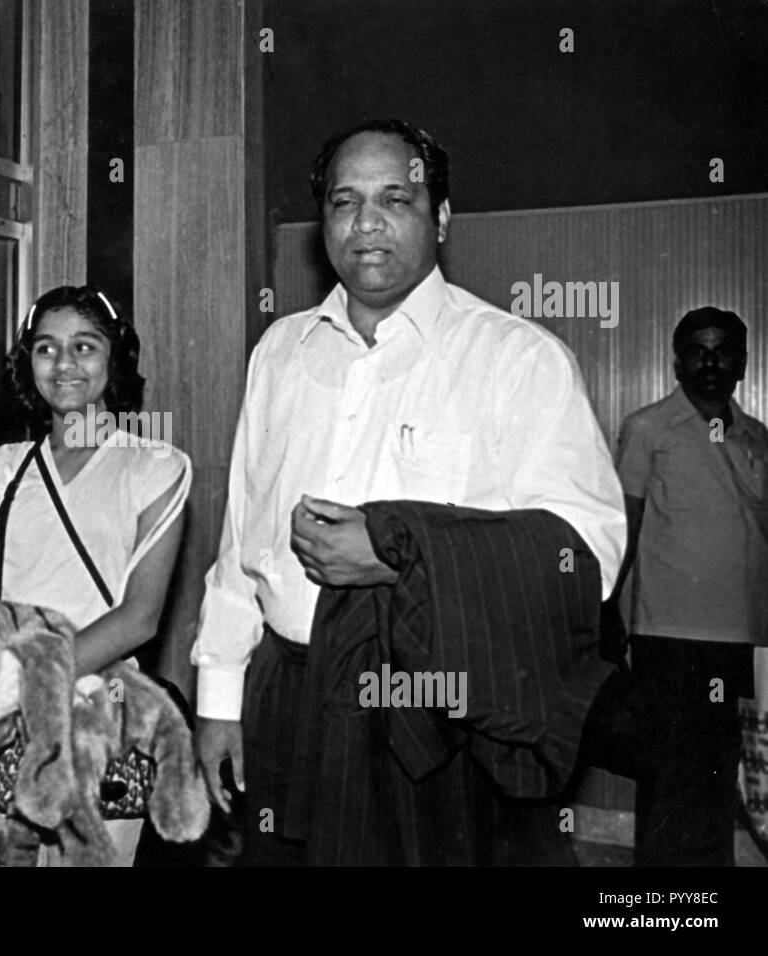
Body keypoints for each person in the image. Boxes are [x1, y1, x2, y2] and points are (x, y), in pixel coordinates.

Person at [191, 118, 627, 865]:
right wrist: (219, 700)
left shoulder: (516, 357)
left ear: (442, 217)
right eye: (343, 200)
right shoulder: (280, 352)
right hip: (288, 698)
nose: (366, 222)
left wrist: (404, 551)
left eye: (396, 197)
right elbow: (242, 544)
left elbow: (588, 555)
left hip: (430, 710)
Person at [0, 285, 191, 866]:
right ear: (27, 362)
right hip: (3, 724)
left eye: (84, 347)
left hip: (100, 719)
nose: (64, 364)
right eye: (46, 348)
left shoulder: (154, 469)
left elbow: (139, 617)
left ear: (115, 359)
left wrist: (29, 684)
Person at [611, 306, 767, 866]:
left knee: (722, 773)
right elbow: (622, 528)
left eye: (722, 350)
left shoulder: (758, 440)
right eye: (696, 350)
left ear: (742, 363)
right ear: (677, 361)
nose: (709, 362)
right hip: (670, 638)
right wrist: (608, 611)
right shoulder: (648, 428)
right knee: (671, 773)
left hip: (741, 639)